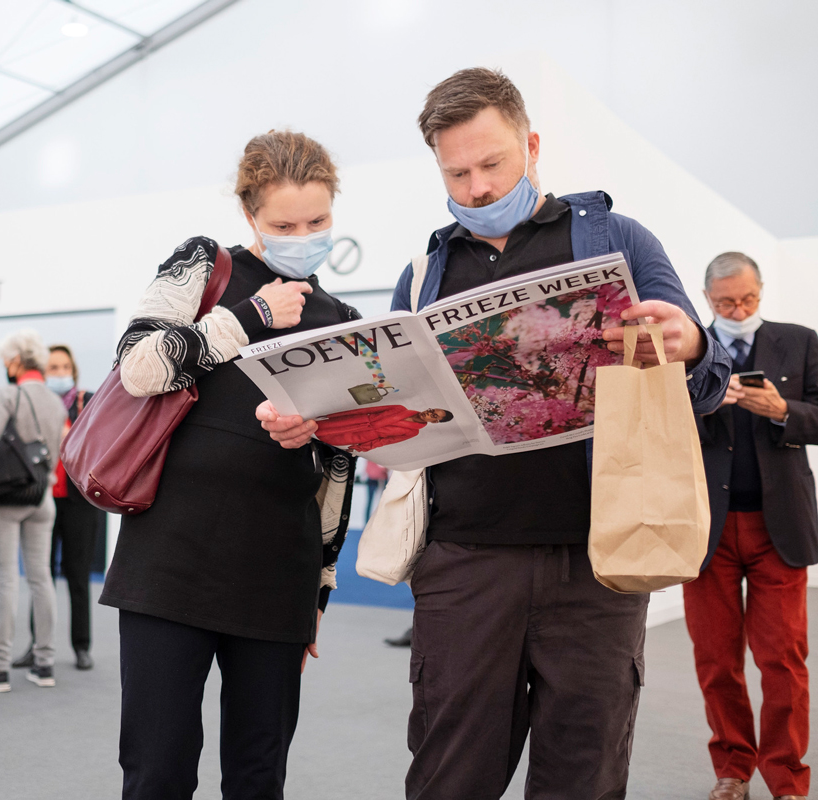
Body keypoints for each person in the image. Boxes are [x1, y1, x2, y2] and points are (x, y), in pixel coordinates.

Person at [258, 68, 732, 799]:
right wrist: (323, 418)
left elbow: (705, 386)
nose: (477, 188)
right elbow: (393, 417)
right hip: (464, 563)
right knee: (451, 774)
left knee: (585, 770)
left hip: (598, 560)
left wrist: (692, 345)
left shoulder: (617, 240)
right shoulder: (423, 275)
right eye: (457, 172)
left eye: (493, 165)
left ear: (532, 145)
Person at [98, 130, 359, 798]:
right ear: (250, 216)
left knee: (256, 776)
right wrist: (246, 318)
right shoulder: (205, 266)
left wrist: (320, 593)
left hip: (278, 577)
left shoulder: (341, 320)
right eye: (283, 224)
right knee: (157, 771)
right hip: (169, 565)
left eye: (318, 221)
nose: (303, 234)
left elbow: (337, 475)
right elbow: (137, 368)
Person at [686, 252, 818, 800]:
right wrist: (707, 401)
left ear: (761, 292)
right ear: (707, 299)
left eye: (747, 300)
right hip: (706, 529)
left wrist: (782, 408)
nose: (737, 310)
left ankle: (786, 778)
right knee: (717, 660)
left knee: (782, 658)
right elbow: (657, 420)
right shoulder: (689, 350)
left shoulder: (800, 340)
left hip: (777, 526)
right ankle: (733, 770)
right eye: (724, 303)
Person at [0, 329, 66, 692]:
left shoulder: (7, 394)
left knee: (5, 579)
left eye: (7, 360)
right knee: (42, 579)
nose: (5, 366)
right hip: (43, 496)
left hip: (7, 498)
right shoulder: (56, 402)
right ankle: (44, 662)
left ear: (17, 361)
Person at [12, 343, 106, 671]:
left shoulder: (88, 401)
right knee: (41, 575)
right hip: (44, 498)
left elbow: (103, 442)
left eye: (64, 367)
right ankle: (36, 646)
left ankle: (81, 646)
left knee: (78, 575)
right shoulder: (34, 404)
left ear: (74, 370)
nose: (59, 373)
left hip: (80, 501)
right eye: (53, 368)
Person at [314, 406, 453, 453]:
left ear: (434, 421)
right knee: (315, 426)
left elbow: (384, 441)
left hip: (359, 436)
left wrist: (360, 448)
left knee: (316, 439)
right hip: (352, 421)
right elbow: (367, 410)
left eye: (432, 415)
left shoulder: (412, 432)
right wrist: (333, 415)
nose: (427, 413)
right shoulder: (399, 408)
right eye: (430, 410)